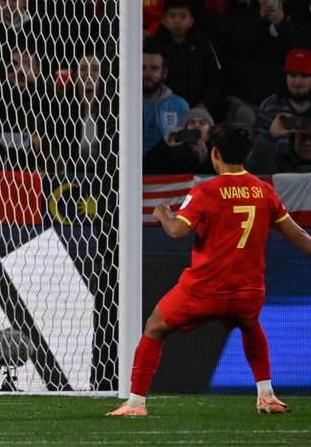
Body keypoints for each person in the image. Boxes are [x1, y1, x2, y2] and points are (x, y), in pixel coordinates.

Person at [108, 122, 311, 417]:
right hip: (247, 290)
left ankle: (136, 403)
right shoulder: (264, 191)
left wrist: (163, 215)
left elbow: (177, 231)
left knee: (154, 326)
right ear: (249, 153)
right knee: (251, 327)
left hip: (205, 289)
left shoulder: (204, 191)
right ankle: (266, 395)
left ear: (214, 154)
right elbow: (298, 236)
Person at [142, 43, 189, 154]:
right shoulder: (123, 102)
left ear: (164, 73)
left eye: (154, 69)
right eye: (142, 67)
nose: (147, 74)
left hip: (167, 168)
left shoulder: (179, 106)